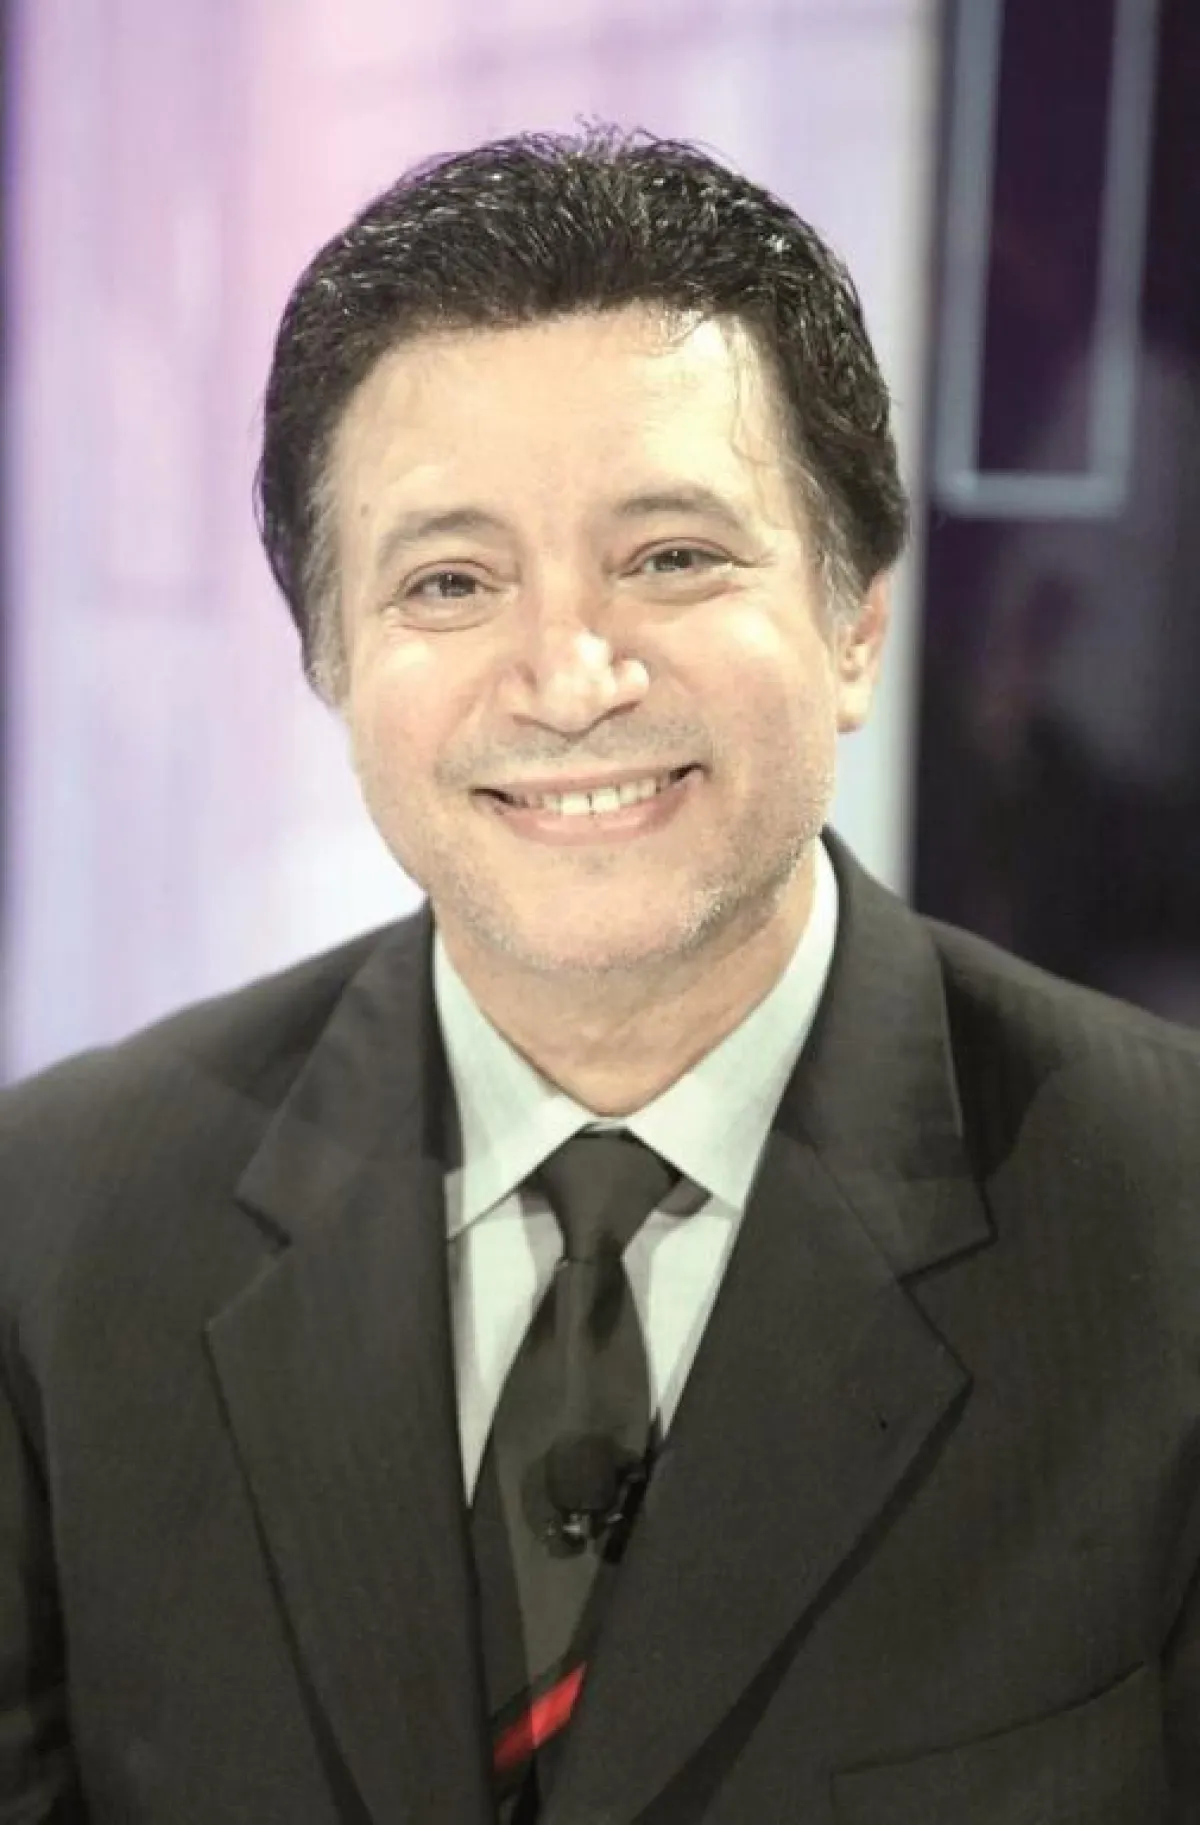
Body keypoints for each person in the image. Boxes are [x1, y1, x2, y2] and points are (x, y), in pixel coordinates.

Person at [1, 127, 1198, 1825]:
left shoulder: (1166, 1227)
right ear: (332, 659)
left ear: (856, 622)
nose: (569, 678)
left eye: (672, 557)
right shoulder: (55, 1226)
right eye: (450, 583)